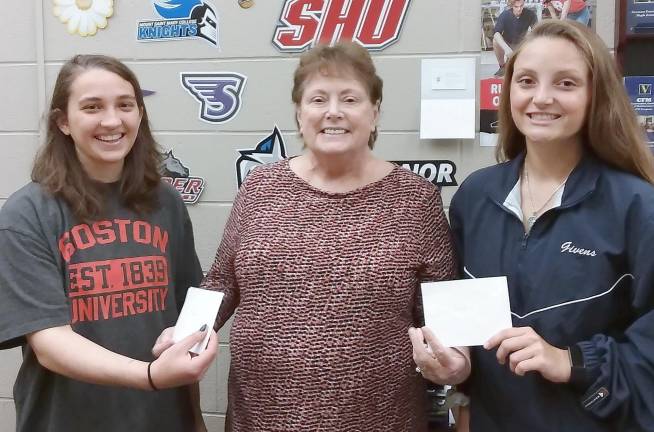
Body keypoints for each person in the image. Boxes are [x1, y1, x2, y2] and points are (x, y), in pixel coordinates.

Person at [201, 41, 459, 431]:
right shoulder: (260, 188)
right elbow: (221, 282)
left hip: (381, 419)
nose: (333, 112)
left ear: (374, 113)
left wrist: (455, 360)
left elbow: (446, 310)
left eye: (350, 99)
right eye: (318, 99)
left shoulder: (415, 198)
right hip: (262, 417)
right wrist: (185, 332)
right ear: (299, 114)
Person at [414, 20, 654, 431]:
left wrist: (571, 361)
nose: (541, 98)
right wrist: (456, 369)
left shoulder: (636, 206)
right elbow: (465, 322)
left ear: (596, 95)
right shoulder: (476, 197)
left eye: (565, 83)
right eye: (526, 80)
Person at [0, 54, 218, 432]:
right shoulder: (27, 214)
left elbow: (185, 324)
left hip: (163, 420)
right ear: (63, 122)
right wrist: (150, 376)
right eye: (92, 107)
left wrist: (194, 418)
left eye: (125, 105)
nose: (113, 121)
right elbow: (51, 344)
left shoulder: (166, 203)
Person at [492, 0, 537, 77]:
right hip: (507, 43)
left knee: (533, 37)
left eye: (521, 6)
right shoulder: (505, 15)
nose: (519, 9)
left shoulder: (530, 14)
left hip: (521, 43)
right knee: (495, 41)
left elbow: (536, 31)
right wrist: (507, 49)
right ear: (512, 6)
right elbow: (496, 33)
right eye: (516, 7)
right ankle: (502, 66)